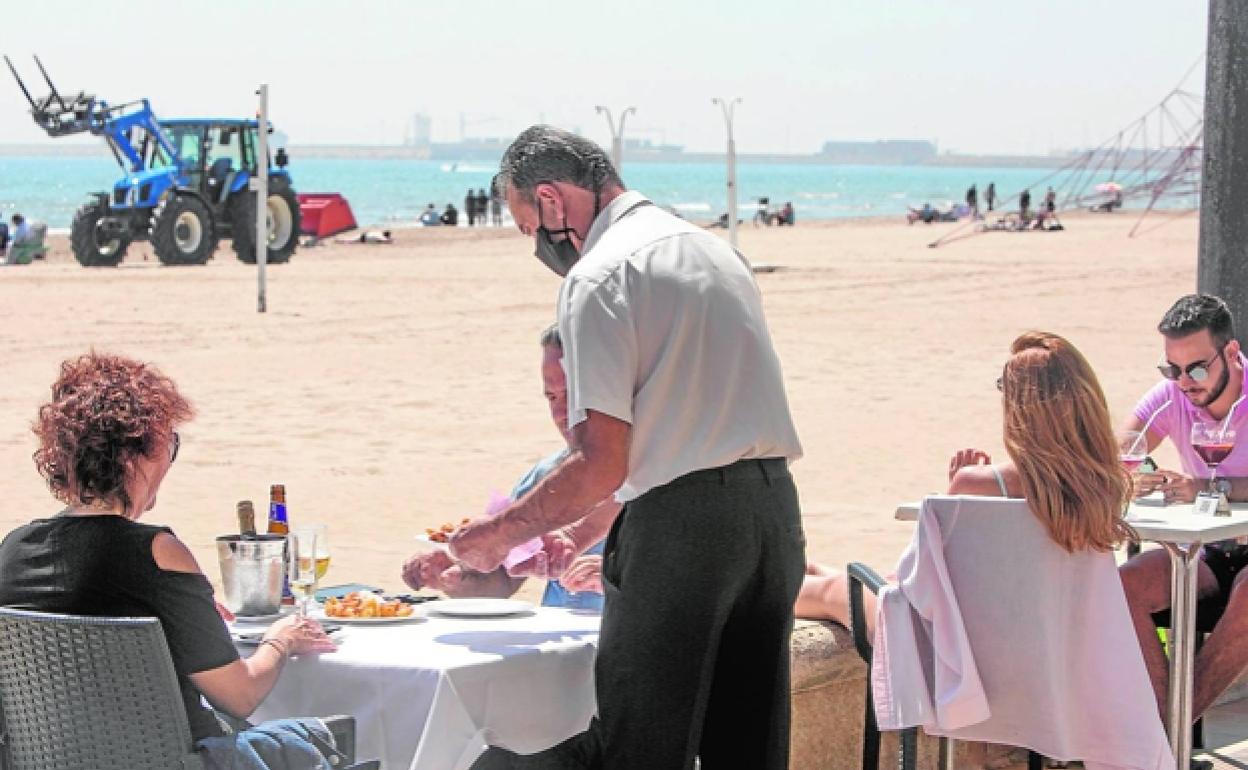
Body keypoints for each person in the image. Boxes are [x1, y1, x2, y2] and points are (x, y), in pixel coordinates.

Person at [460, 125, 804, 770]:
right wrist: (590, 526)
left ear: (553, 201)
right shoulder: (711, 250)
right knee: (747, 746)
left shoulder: (597, 276)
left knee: (638, 747)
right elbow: (688, 423)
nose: (535, 242)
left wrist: (498, 536)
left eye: (527, 224)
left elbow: (602, 457)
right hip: (772, 515)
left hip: (683, 533)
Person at [0, 353, 339, 758]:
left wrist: (185, 610)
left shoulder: (14, 549)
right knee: (329, 734)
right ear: (136, 457)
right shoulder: (158, 553)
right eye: (169, 444)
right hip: (175, 760)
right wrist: (281, 641)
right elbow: (241, 694)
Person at [789, 331, 1134, 631]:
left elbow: (927, 580)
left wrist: (960, 490)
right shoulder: (1105, 486)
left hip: (947, 643)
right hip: (1034, 640)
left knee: (834, 591)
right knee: (822, 571)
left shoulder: (981, 484)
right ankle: (808, 568)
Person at [402, 324, 616, 611]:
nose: (561, 413)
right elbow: (505, 579)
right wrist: (455, 575)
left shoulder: (674, 478)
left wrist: (618, 579)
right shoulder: (549, 477)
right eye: (552, 397)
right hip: (567, 651)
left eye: (574, 395)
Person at [1120, 294, 1248, 724]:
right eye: (1172, 369)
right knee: (1124, 585)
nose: (1185, 382)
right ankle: (1163, 731)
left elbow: (1205, 487)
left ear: (1231, 353)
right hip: (1210, 552)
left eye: (1196, 368)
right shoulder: (1172, 395)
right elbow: (1123, 450)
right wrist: (1135, 474)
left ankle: (1167, 731)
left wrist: (1208, 487)